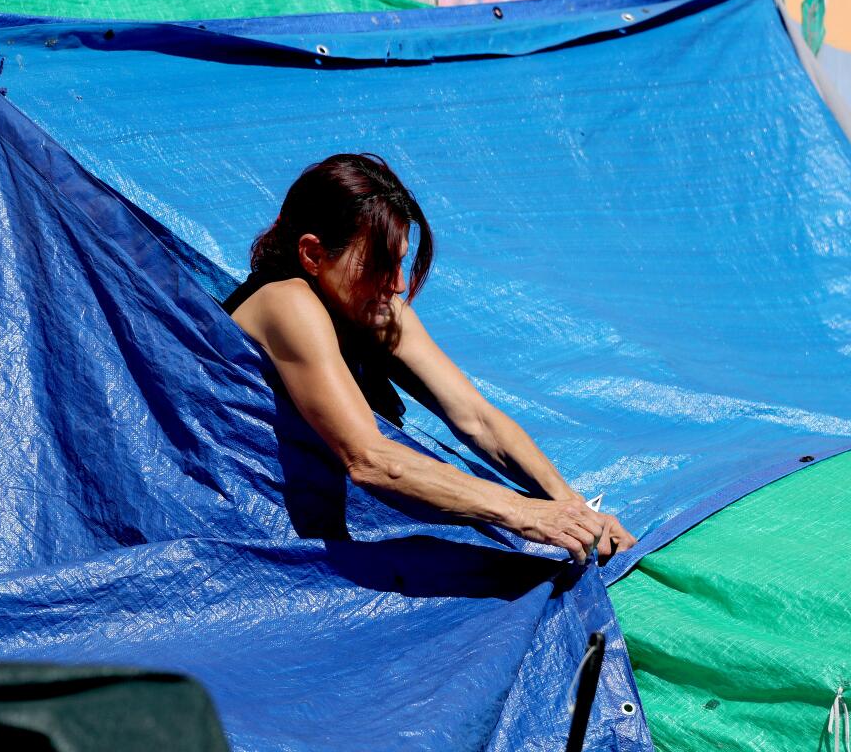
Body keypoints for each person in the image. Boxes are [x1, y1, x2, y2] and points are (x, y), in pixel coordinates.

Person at [225, 153, 636, 564]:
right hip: (247, 512)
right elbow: (370, 459)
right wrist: (526, 513)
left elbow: (477, 419)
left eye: (400, 260)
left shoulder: (372, 305)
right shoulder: (286, 303)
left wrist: (576, 510)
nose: (399, 284)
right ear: (314, 255)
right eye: (378, 264)